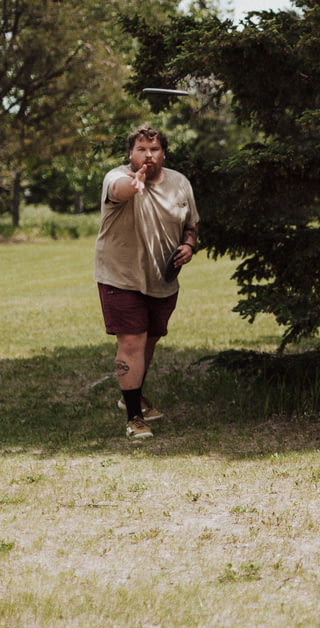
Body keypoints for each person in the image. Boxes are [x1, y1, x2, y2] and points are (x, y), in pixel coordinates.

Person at [94, 125, 199, 438]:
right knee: (131, 341)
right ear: (130, 153)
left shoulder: (180, 183)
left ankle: (133, 394)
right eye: (141, 149)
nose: (148, 155)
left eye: (153, 149)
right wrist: (134, 184)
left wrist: (189, 246)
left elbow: (191, 225)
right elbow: (118, 190)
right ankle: (133, 418)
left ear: (163, 152)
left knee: (149, 340)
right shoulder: (118, 177)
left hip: (161, 278)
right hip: (120, 274)